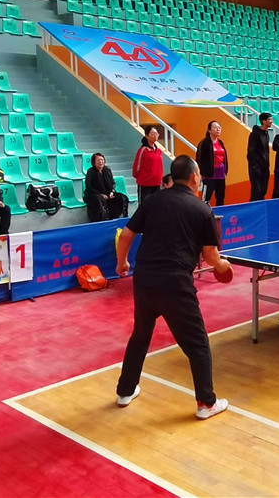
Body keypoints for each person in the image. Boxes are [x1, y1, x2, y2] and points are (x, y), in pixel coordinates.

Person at [114, 155, 229, 420]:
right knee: (197, 343)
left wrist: (122, 263)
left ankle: (125, 391)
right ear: (193, 177)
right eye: (199, 175)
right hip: (175, 283)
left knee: (140, 335)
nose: (199, 179)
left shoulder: (152, 201)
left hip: (144, 279)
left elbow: (127, 234)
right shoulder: (202, 210)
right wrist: (223, 265)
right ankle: (206, 403)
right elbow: (211, 257)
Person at [84, 153, 128, 222]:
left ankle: (118, 217)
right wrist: (100, 194)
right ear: (94, 162)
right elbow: (89, 186)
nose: (100, 162)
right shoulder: (90, 171)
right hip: (94, 194)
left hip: (108, 193)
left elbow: (112, 183)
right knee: (99, 199)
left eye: (102, 160)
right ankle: (103, 219)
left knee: (122, 197)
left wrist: (112, 192)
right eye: (98, 160)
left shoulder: (107, 170)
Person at [196, 121, 228, 206]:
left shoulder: (220, 142)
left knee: (220, 197)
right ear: (209, 130)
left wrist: (225, 171)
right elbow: (199, 158)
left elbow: (224, 158)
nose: (218, 129)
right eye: (215, 127)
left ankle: (220, 211)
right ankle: (205, 212)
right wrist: (201, 172)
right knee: (206, 198)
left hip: (221, 173)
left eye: (219, 127)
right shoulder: (204, 143)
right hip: (209, 174)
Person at [132, 128, 164, 202]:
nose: (155, 135)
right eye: (152, 134)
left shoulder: (158, 151)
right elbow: (136, 167)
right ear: (146, 136)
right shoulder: (143, 150)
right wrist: (142, 177)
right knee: (144, 204)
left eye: (156, 134)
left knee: (156, 204)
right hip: (145, 183)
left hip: (157, 183)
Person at [246, 112, 272, 201]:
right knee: (256, 190)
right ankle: (254, 207)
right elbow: (250, 150)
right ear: (263, 121)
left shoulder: (266, 133)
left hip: (265, 166)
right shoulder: (255, 134)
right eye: (269, 119)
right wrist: (254, 165)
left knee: (263, 190)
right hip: (257, 166)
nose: (271, 121)